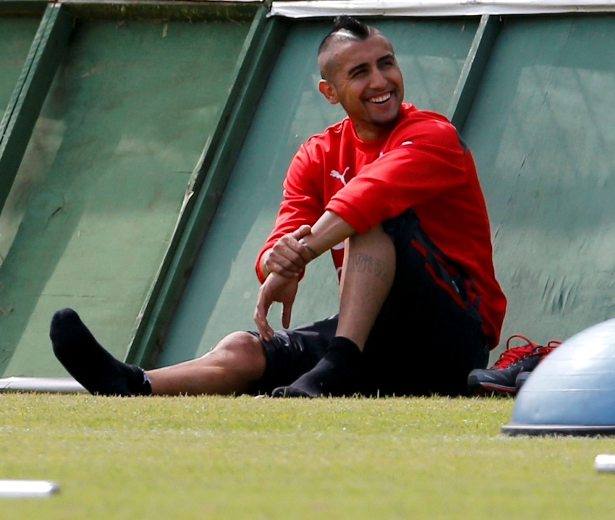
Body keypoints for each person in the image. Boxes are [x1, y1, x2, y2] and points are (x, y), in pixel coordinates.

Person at [49, 16, 506, 398]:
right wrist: (277, 264)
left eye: (386, 64)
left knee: (372, 219)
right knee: (242, 348)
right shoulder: (317, 154)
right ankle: (135, 383)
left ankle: (338, 367)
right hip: (374, 339)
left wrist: (301, 254)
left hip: (452, 339)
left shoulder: (432, 134)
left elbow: (367, 197)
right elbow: (282, 238)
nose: (380, 81)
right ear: (330, 92)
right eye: (360, 72)